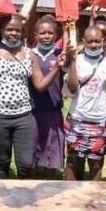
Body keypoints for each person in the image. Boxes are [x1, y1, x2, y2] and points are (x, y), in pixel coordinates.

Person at [0, 14, 68, 179]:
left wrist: (56, 68)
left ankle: (24, 201)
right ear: (2, 30)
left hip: (24, 117)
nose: (13, 33)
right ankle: (1, 202)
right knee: (2, 163)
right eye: (9, 29)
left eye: (17, 30)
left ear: (23, 33)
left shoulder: (29, 54)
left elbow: (40, 85)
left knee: (26, 164)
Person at [65, 26, 106, 181]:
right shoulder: (78, 60)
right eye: (90, 41)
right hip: (77, 119)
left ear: (103, 41)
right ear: (84, 41)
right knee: (73, 161)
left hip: (98, 121)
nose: (94, 45)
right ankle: (70, 197)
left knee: (96, 163)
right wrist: (72, 63)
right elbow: (72, 87)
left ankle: (93, 199)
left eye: (97, 41)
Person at [30, 16, 65, 179]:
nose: (46, 36)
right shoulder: (30, 55)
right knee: (35, 148)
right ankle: (33, 183)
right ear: (36, 35)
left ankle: (49, 182)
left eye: (50, 33)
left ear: (55, 35)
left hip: (53, 110)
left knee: (52, 151)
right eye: (42, 33)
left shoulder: (60, 55)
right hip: (33, 111)